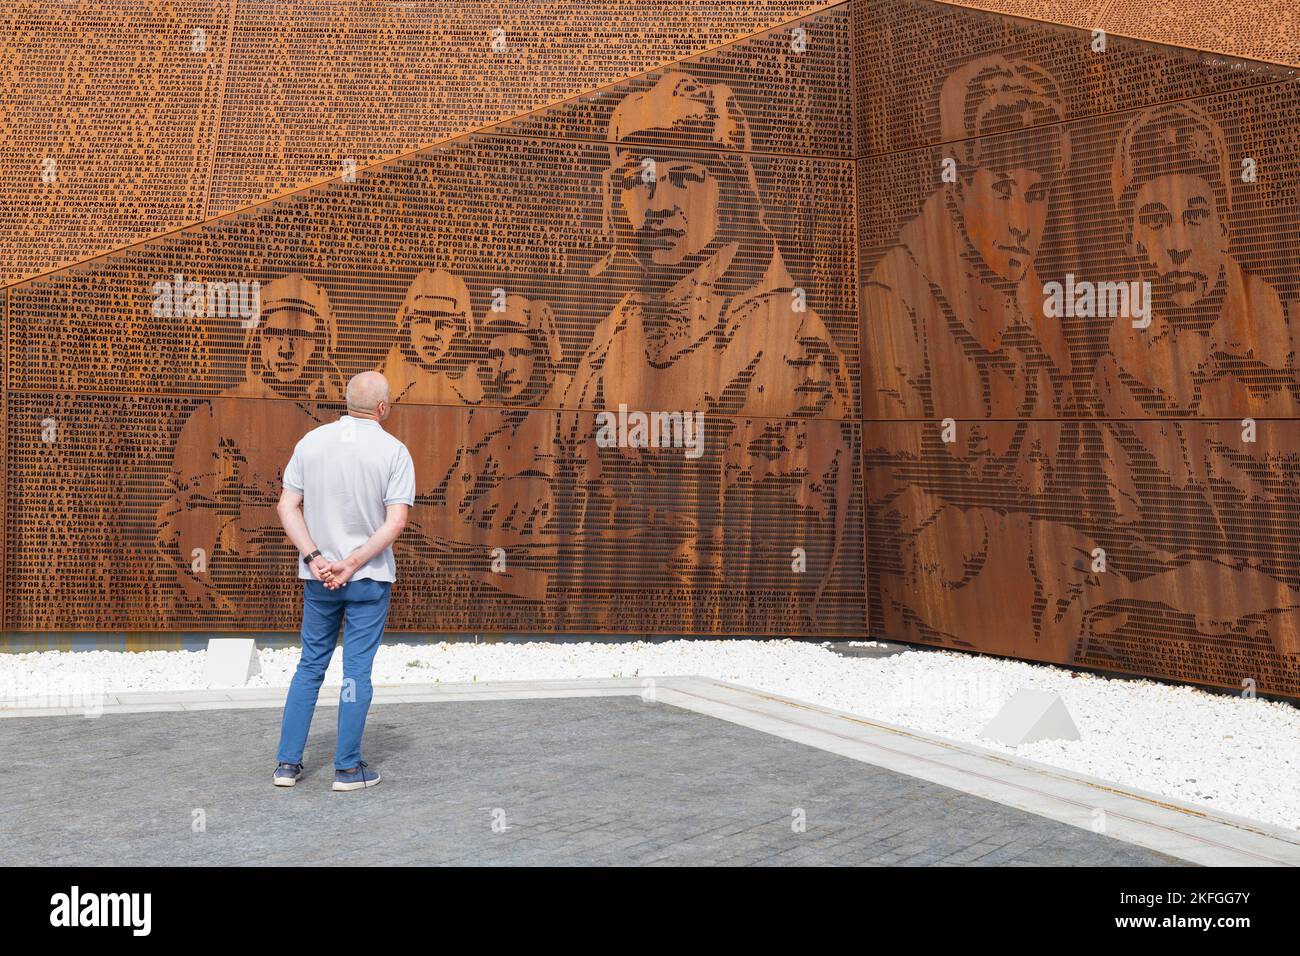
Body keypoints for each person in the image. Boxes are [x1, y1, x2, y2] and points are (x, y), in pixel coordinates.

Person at [271, 371, 415, 791]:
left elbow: (287, 507)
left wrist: (316, 558)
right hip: (368, 578)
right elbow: (397, 521)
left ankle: (286, 765)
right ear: (383, 407)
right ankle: (348, 769)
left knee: (309, 666)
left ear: (347, 401)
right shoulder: (394, 451)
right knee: (356, 672)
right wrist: (352, 563)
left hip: (319, 580)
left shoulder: (310, 443)